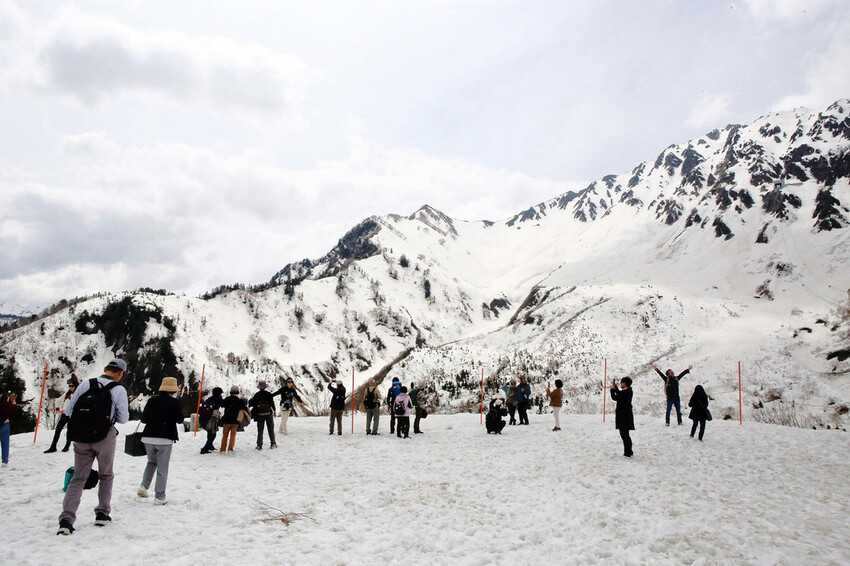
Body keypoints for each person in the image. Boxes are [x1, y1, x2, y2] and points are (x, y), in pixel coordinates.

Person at [57, 358, 129, 535]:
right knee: (106, 474)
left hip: (81, 437)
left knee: (78, 478)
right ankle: (102, 513)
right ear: (120, 373)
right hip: (104, 438)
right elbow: (123, 419)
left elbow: (69, 411)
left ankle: (66, 519)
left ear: (105, 369)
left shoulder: (85, 385)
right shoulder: (118, 389)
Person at [137, 377, 183, 505]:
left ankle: (143, 487)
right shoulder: (174, 403)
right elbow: (179, 419)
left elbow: (144, 419)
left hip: (148, 437)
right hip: (165, 439)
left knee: (151, 462)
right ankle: (160, 496)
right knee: (162, 467)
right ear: (173, 390)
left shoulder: (152, 401)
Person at [45, 377, 79, 453]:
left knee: (69, 431)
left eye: (72, 386)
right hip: (65, 414)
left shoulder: (78, 395)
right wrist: (58, 410)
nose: (70, 388)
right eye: (69, 386)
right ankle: (53, 446)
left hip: (73, 415)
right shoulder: (67, 394)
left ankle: (67, 446)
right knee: (58, 429)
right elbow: (58, 400)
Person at [610, 377, 634, 458]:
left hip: (624, 416)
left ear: (626, 383)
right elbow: (619, 394)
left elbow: (616, 397)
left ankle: (628, 452)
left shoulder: (626, 392)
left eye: (622, 383)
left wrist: (612, 390)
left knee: (624, 434)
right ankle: (628, 450)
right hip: (624, 416)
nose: (621, 384)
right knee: (625, 434)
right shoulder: (628, 391)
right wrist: (615, 388)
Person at [220, 385, 249, 453]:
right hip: (235, 421)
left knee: (225, 435)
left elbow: (222, 405)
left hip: (226, 420)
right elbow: (245, 408)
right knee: (233, 436)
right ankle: (230, 449)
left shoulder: (227, 399)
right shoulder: (239, 401)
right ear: (237, 392)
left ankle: (223, 449)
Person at [249, 380, 276, 450]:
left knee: (260, 430)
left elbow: (251, 403)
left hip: (260, 414)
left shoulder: (257, 395)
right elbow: (272, 403)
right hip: (268, 414)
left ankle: (259, 445)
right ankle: (273, 443)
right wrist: (274, 410)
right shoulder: (268, 394)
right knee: (271, 429)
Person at [199, 387, 224, 454]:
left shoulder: (210, 399)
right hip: (210, 419)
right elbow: (223, 404)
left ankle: (210, 446)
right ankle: (205, 448)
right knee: (212, 433)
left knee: (210, 432)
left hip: (202, 418)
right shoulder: (218, 399)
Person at [1, 391, 21, 468]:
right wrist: (13, 401)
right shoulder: (5, 404)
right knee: (5, 443)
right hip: (5, 424)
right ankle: (4, 461)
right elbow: (14, 408)